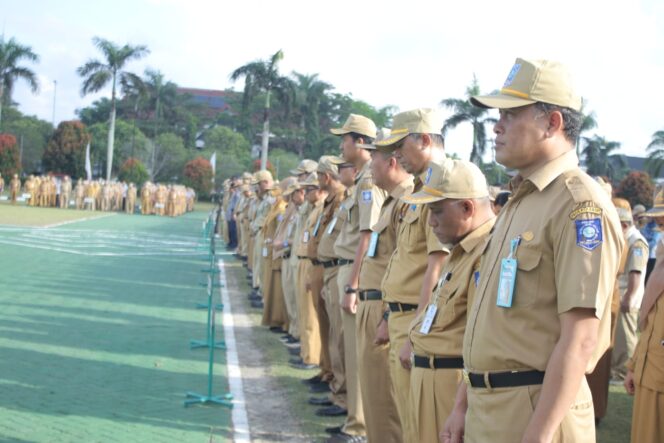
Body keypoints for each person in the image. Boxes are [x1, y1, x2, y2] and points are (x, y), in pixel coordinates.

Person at [442, 58, 623, 443]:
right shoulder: (521, 201)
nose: (497, 126)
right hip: (489, 407)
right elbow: (487, 322)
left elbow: (581, 339)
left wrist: (537, 437)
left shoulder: (578, 206)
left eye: (511, 114)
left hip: (536, 413)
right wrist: (463, 403)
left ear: (552, 123)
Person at [403, 159, 496, 442]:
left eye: (437, 211)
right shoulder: (461, 250)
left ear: (467, 208)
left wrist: (461, 405)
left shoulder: (487, 254)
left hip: (451, 385)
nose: (431, 221)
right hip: (430, 377)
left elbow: (484, 340)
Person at [374, 108, 449, 442]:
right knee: (408, 420)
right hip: (401, 316)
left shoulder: (444, 185)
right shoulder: (418, 190)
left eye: (401, 145)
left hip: (418, 322)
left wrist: (417, 330)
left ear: (425, 140)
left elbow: (438, 265)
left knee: (421, 427)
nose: (396, 155)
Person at [355, 128, 411, 442]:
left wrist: (388, 317)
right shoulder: (393, 202)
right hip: (374, 304)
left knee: (385, 402)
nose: (369, 164)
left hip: (384, 309)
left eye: (373, 157)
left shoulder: (408, 202)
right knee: (375, 397)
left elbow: (406, 268)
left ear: (391, 161)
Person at [624, 185, 664, 443]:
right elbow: (651, 324)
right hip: (651, 372)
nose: (661, 225)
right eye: (660, 222)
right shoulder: (661, 257)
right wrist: (633, 366)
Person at [311, 155, 349, 418]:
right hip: (330, 268)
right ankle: (336, 388)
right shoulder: (333, 202)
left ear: (326, 176)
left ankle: (342, 395)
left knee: (340, 338)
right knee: (334, 335)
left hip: (340, 269)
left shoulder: (344, 200)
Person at [611, 200, 648, 381]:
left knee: (626, 338)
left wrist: (629, 297)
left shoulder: (637, 242)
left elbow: (636, 272)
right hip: (622, 294)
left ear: (624, 225)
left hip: (628, 297)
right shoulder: (628, 239)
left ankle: (624, 371)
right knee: (618, 337)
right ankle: (618, 369)